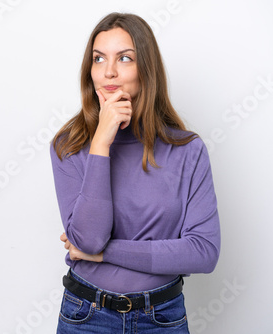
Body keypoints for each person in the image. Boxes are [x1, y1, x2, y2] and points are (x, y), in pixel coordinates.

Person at [50, 12, 220, 333]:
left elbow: (202, 253)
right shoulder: (69, 146)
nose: (109, 71)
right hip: (86, 317)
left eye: (125, 58)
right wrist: (101, 142)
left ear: (147, 70)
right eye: (98, 59)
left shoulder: (187, 150)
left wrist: (103, 254)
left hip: (162, 317)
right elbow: (89, 238)